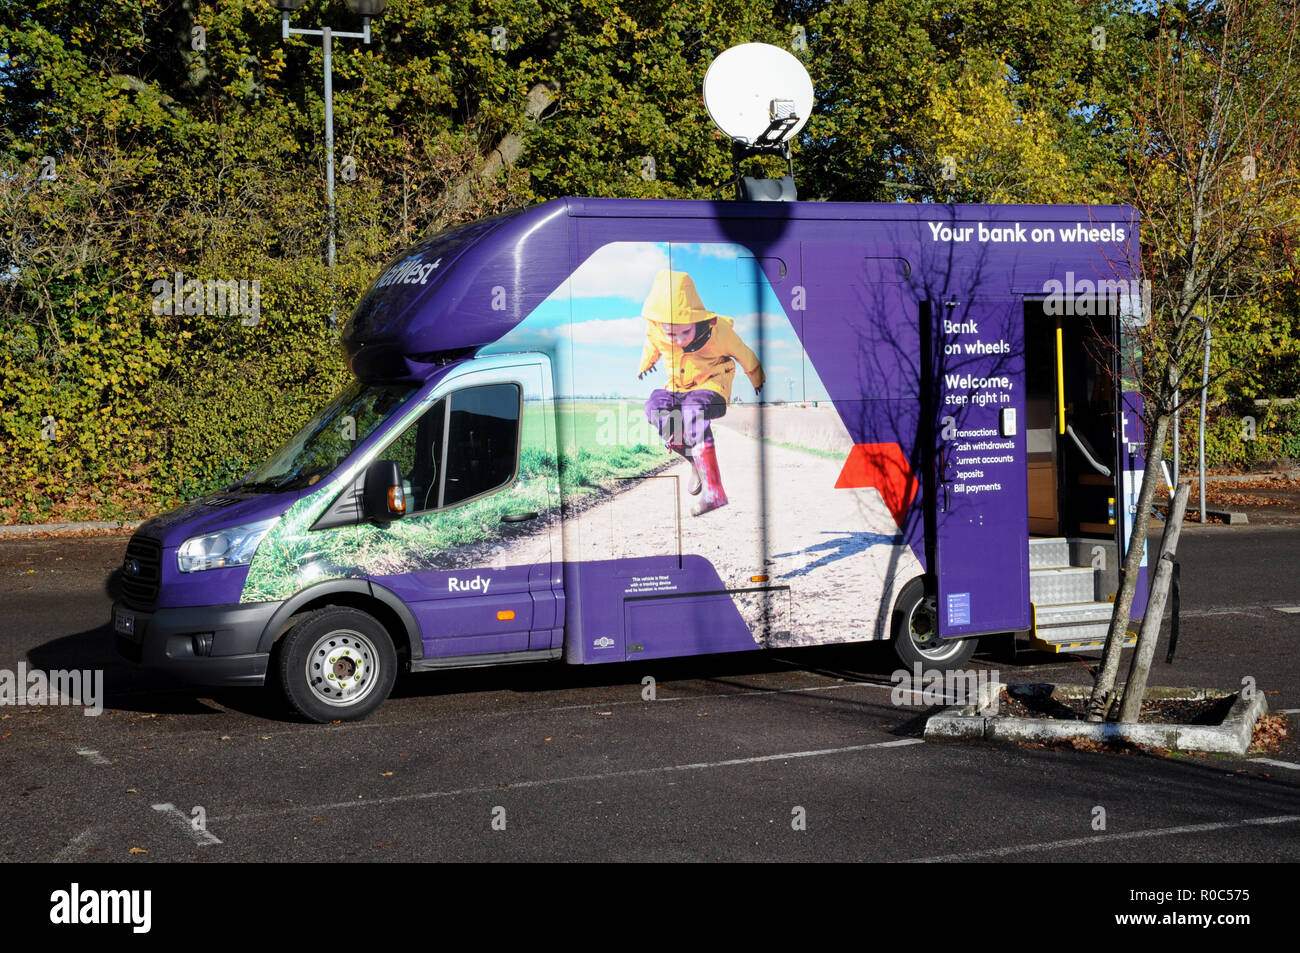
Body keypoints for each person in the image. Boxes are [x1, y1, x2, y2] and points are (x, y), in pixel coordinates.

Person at [637, 270, 765, 516]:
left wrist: (756, 376)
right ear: (659, 325)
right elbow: (651, 346)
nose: (679, 341)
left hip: (712, 385)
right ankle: (694, 461)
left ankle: (715, 492)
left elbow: (743, 352)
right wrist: (645, 364)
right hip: (677, 387)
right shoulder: (656, 331)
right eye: (672, 334)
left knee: (692, 411)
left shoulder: (718, 332)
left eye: (686, 332)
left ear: (696, 321)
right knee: (655, 407)